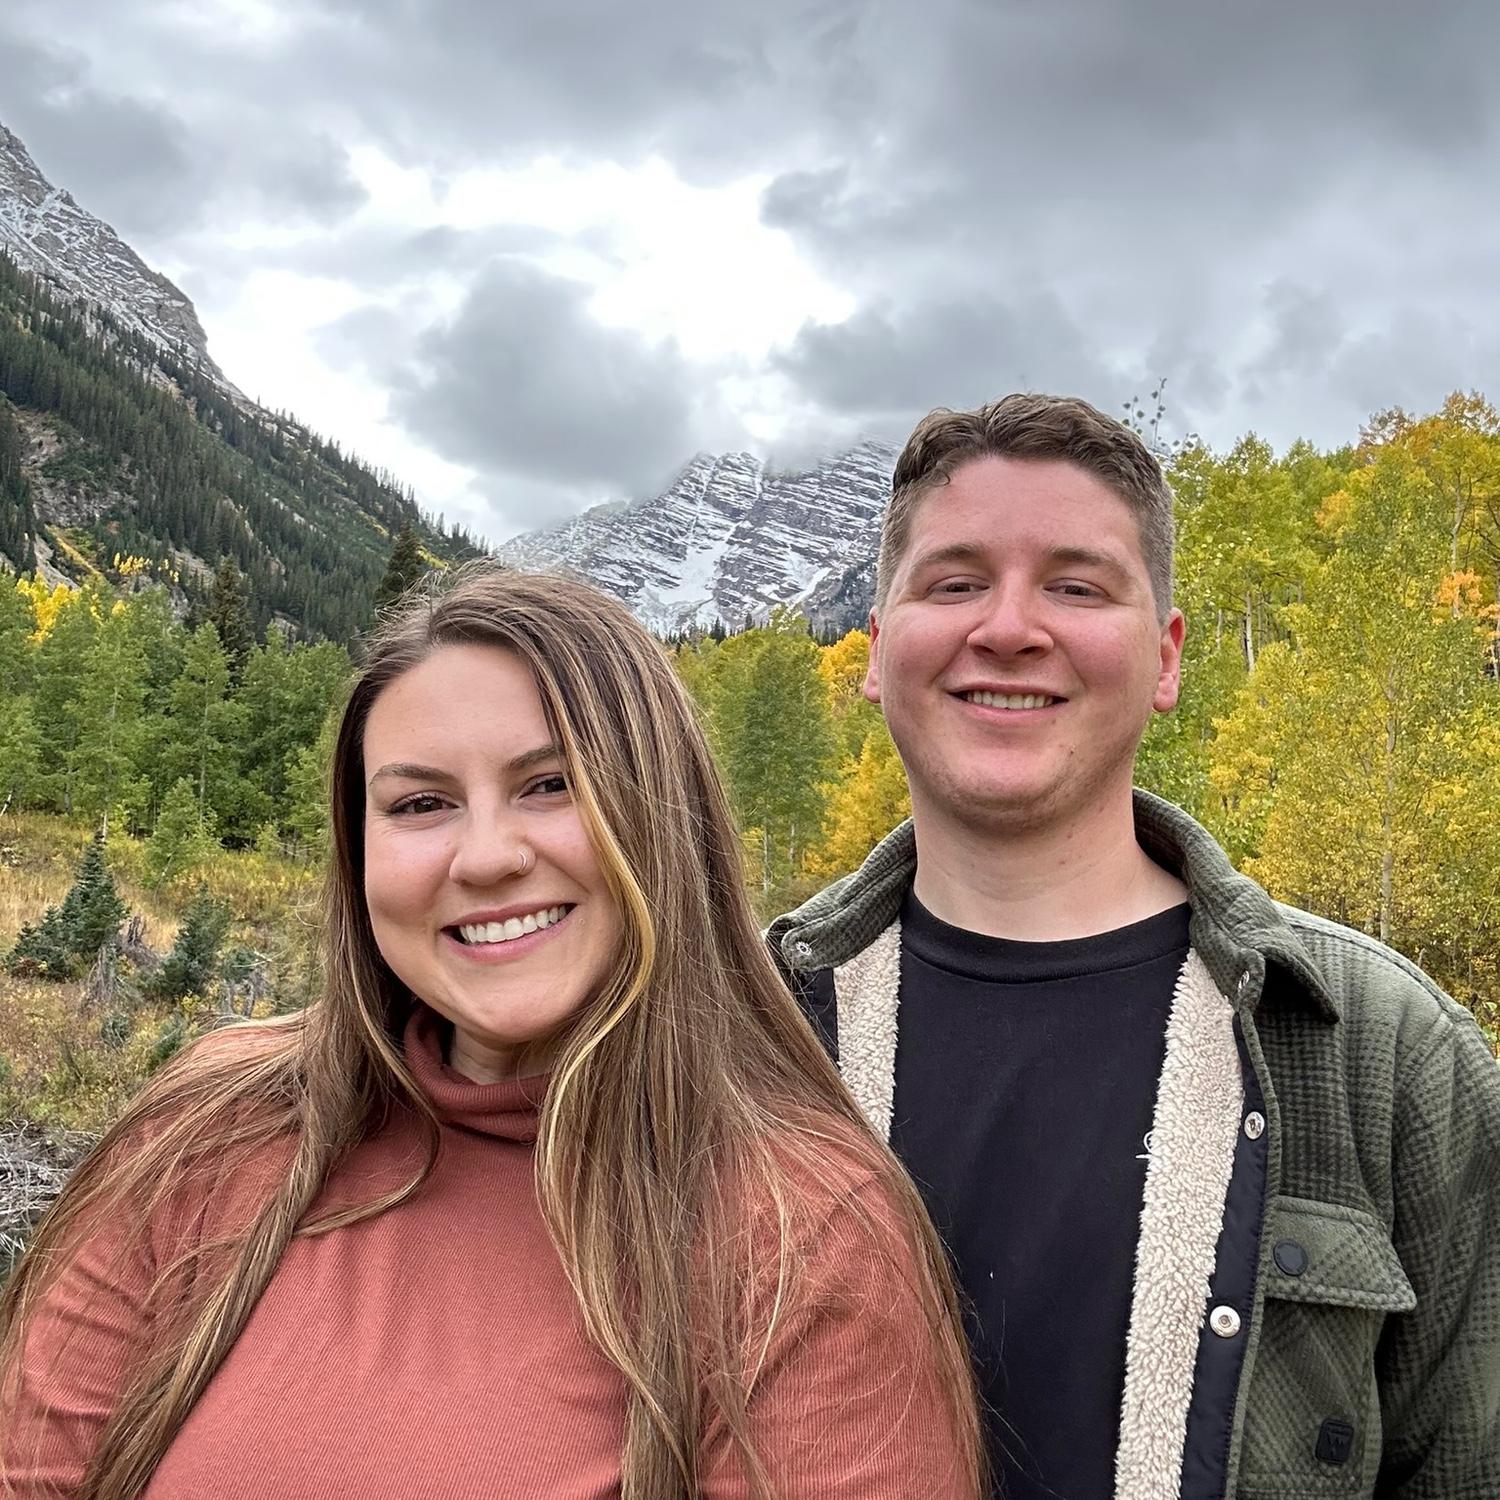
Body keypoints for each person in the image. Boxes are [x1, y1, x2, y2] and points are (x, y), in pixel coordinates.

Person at [0, 565, 984, 1500]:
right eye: (421, 804)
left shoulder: (800, 1234)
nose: (484, 857)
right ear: (359, 852)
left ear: (662, 817)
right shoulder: (214, 1125)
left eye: (550, 785)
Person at [768, 393, 1500, 1500]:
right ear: (876, 651)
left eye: (1076, 585)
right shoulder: (738, 1027)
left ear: (1165, 660)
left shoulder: (1388, 1056)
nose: (1008, 627)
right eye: (955, 581)